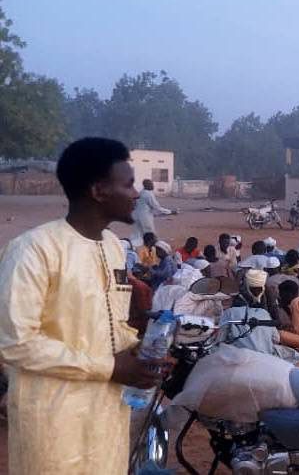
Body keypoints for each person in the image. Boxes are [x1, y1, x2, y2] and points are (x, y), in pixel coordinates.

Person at [0, 138, 172, 474]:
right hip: (54, 420)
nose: (136, 193)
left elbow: (110, 323)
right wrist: (108, 367)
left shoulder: (112, 246)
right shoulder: (34, 250)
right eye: (128, 183)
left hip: (107, 413)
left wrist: (140, 352)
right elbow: (16, 343)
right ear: (98, 190)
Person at [130, 178, 173, 246]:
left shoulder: (141, 192)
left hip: (136, 216)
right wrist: (170, 212)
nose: (153, 185)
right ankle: (152, 248)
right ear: (147, 185)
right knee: (150, 234)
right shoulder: (148, 194)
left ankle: (134, 247)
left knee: (138, 234)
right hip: (145, 217)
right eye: (151, 184)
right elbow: (156, 207)